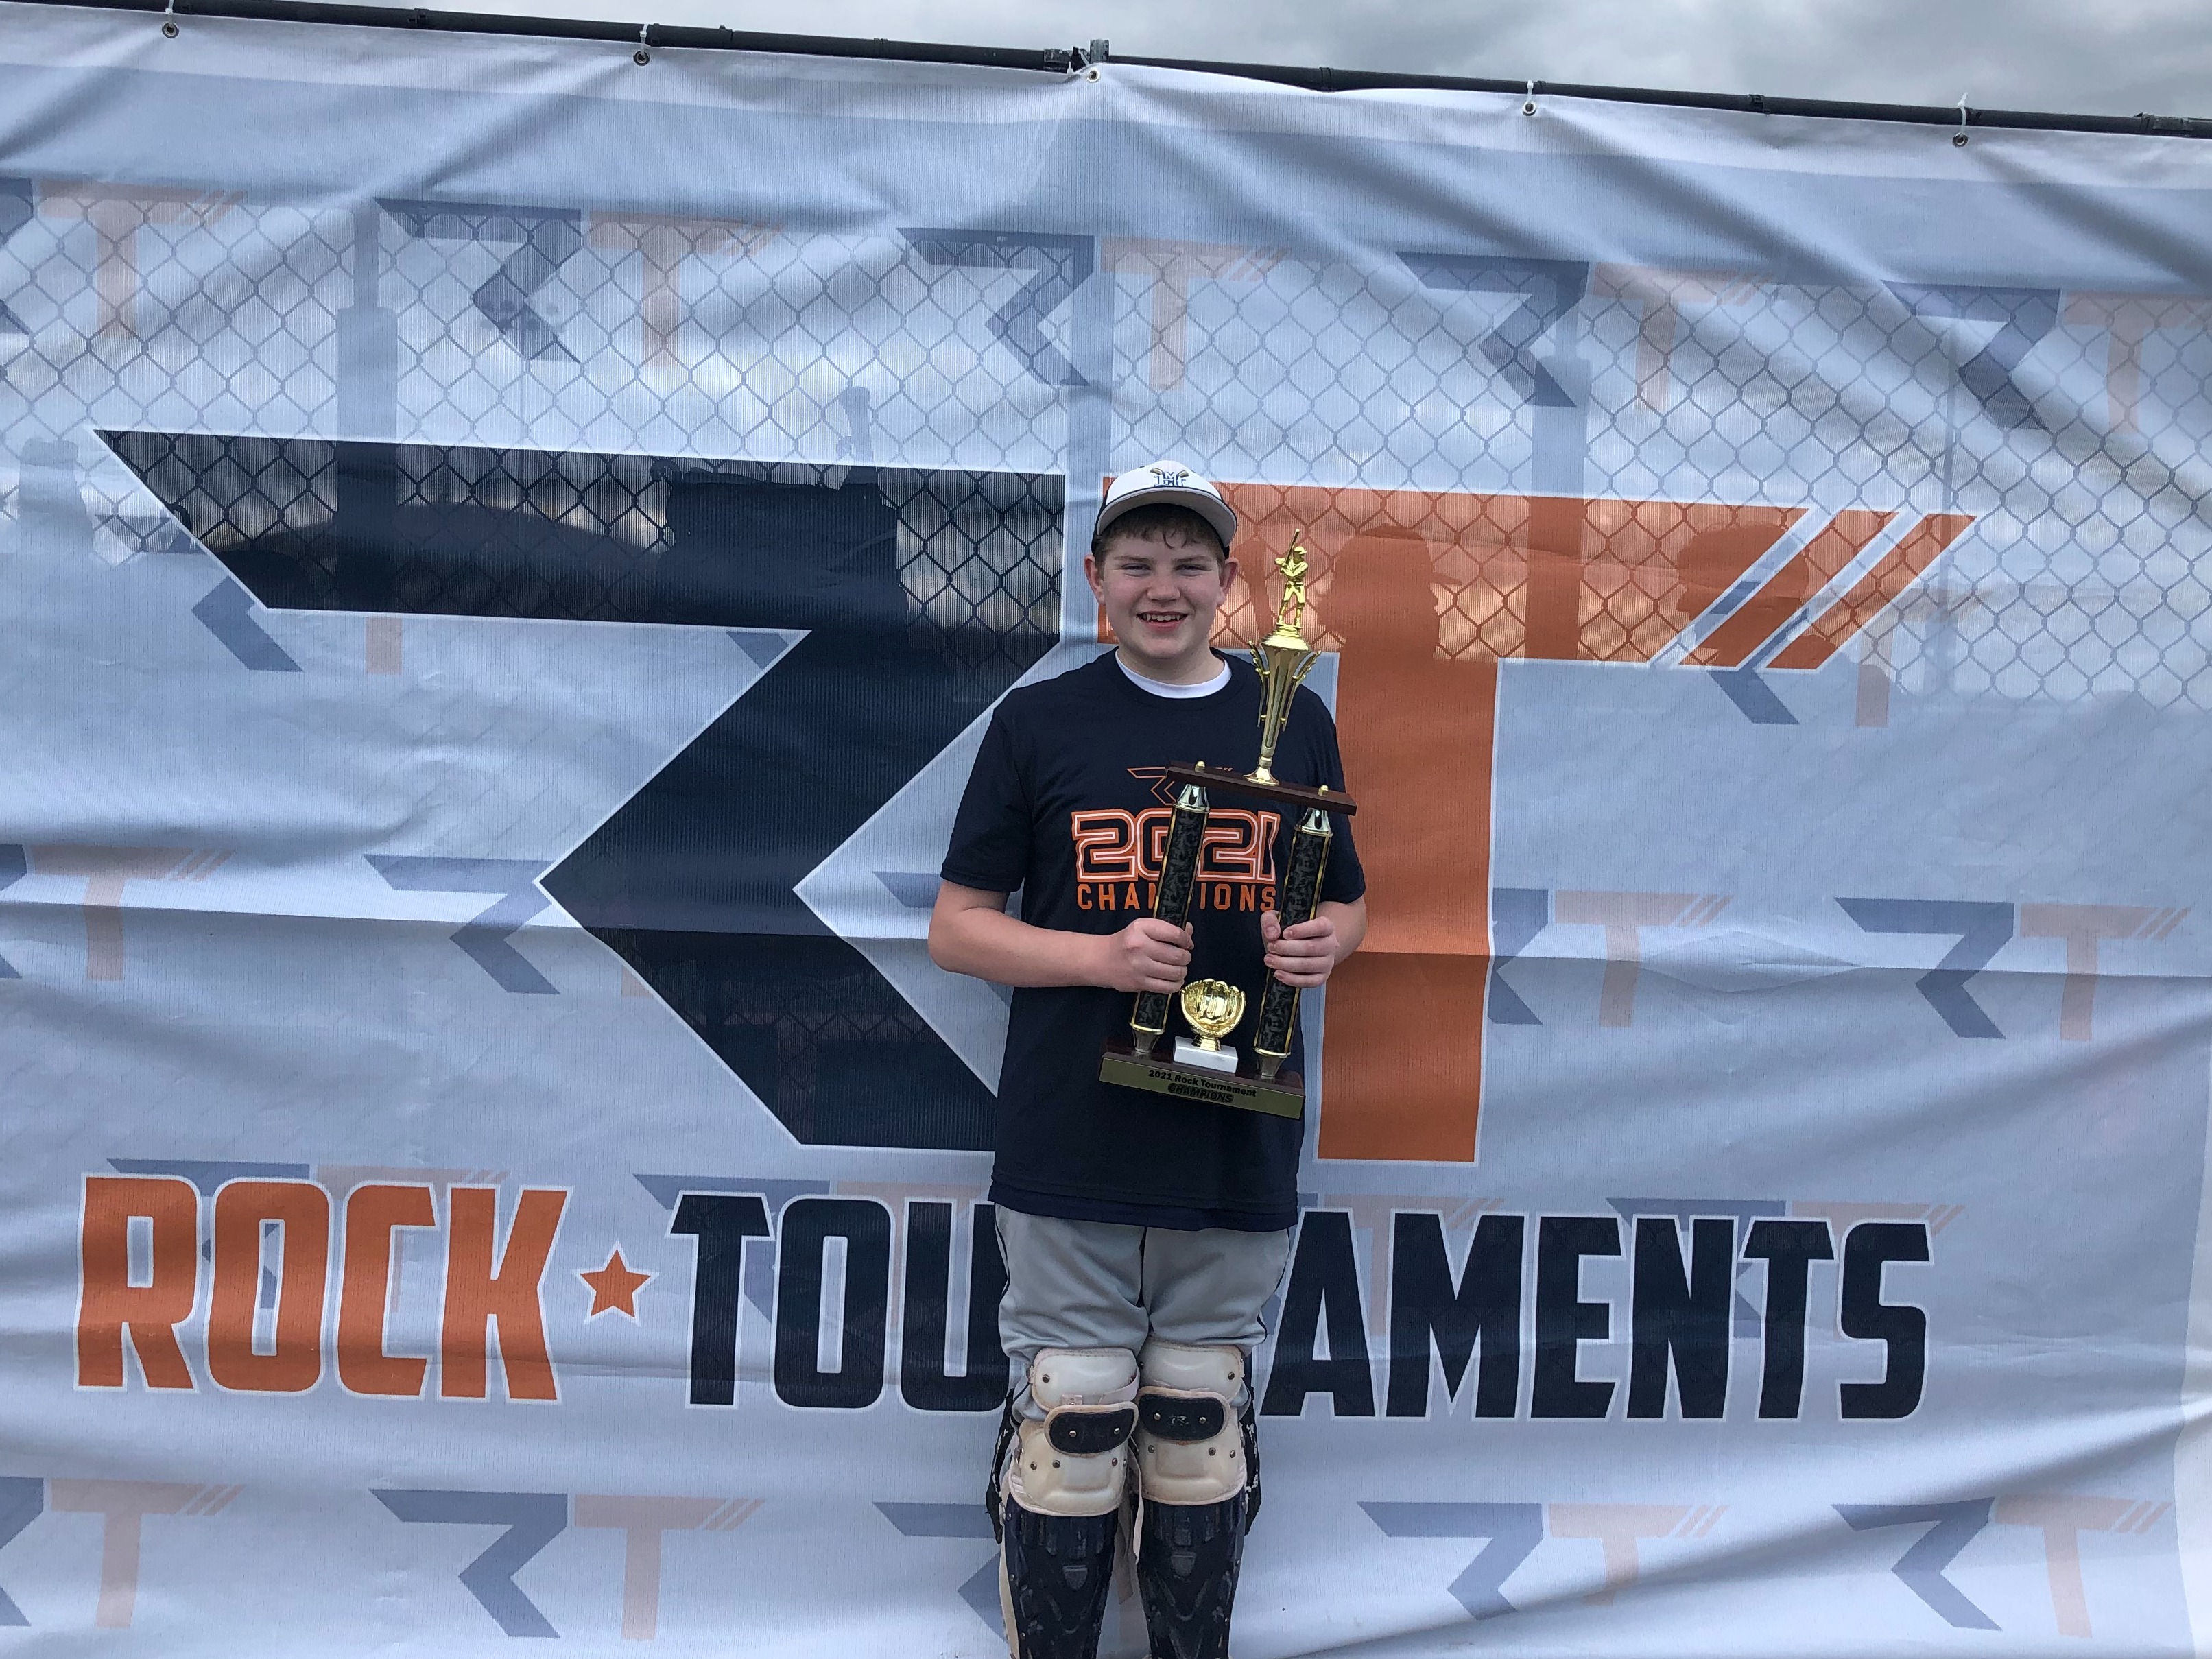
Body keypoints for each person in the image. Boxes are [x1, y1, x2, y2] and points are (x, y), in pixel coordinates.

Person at [929, 462, 1368, 1659]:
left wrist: (1329, 941)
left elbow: (1345, 899)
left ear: (1228, 580)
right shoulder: (1040, 722)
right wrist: (1100, 959)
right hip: (1074, 1127)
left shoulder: (1293, 715)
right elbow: (956, 928)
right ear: (1096, 579)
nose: (1161, 587)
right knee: (1070, 1421)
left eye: (1188, 564)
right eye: (1136, 563)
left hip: (1235, 1132)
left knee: (1195, 1422)